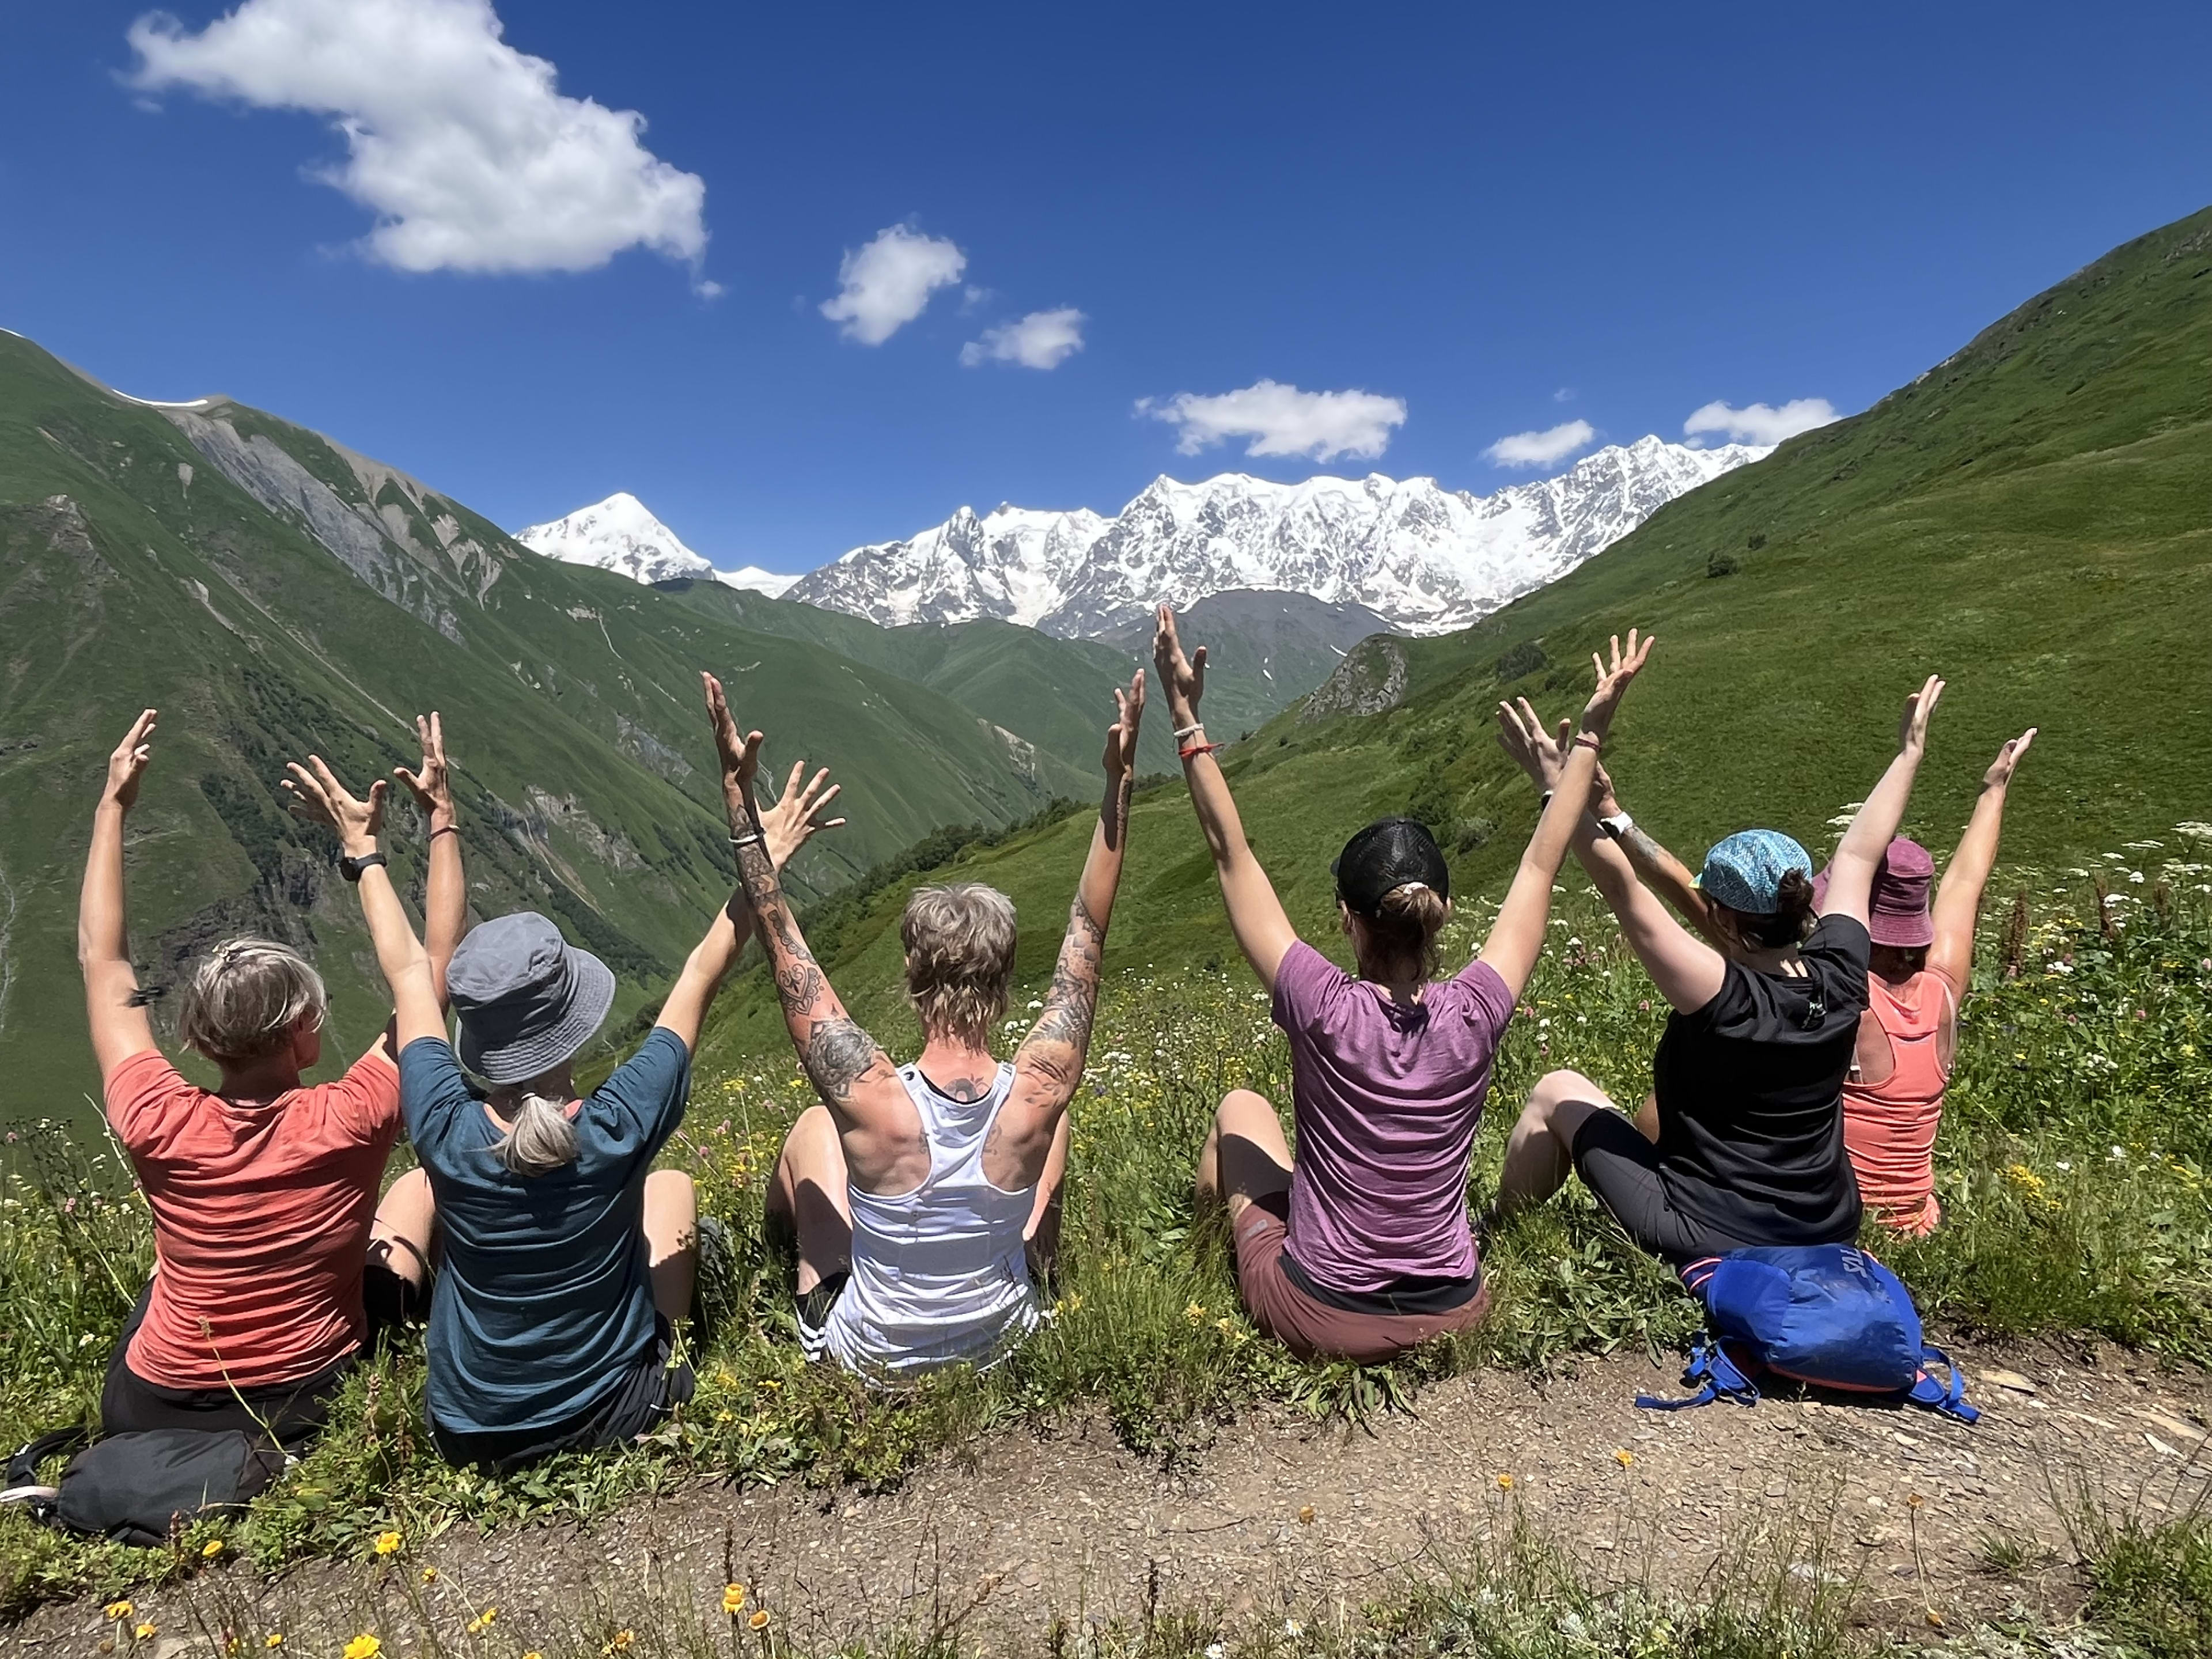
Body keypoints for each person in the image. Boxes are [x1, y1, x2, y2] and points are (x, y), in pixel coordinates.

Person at [293, 744, 844, 1471]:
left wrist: (365, 852)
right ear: (572, 1027)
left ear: (476, 1037)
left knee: (420, 1192)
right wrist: (760, 857)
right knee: (672, 1187)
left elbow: (407, 972)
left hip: (469, 1429)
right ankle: (668, 1343)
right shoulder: (617, 1125)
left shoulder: (441, 1122)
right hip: (617, 1409)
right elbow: (704, 966)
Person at [1161, 607, 1655, 1362]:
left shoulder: (1319, 1003)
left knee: (1240, 1108)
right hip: (1456, 1308)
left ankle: (1197, 1274)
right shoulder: (1478, 1009)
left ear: (1346, 922)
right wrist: (1587, 739)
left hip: (1321, 1312)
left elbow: (1233, 857)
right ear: (1445, 915)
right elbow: (1540, 865)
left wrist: (1186, 717)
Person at [724, 668, 1145, 1378]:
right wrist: (1119, 782)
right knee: (1055, 1120)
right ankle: (1026, 1270)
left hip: (870, 1359)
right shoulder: (1040, 1089)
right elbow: (1087, 932)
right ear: (1008, 982)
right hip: (1002, 1345)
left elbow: (781, 942)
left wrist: (740, 806)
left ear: (914, 980)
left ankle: (779, 1261)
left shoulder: (875, 1099)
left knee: (813, 1128)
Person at [78, 710, 462, 1446]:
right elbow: (432, 969)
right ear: (300, 1034)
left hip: (152, 1403)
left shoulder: (153, 1115)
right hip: (305, 1397)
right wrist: (430, 822)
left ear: (198, 1037)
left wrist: (111, 809)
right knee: (417, 1189)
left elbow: (103, 961)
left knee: (168, 1281)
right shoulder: (353, 1115)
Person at [1491, 676, 1952, 1265]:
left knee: (1557, 1091)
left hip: (1709, 1232)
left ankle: (1502, 1230)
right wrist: (1909, 753)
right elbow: (1862, 852)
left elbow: (1620, 886)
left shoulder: (1719, 992)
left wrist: (1559, 786)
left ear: (1727, 920)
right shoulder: (1841, 971)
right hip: (1828, 1226)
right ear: (1803, 899)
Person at [1572, 730, 2036, 1234]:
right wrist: (1994, 791)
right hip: (1915, 1223)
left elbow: (1695, 898)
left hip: (1837, 1213)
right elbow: (1966, 884)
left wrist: (1611, 817)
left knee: (1658, 1110)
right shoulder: (1941, 991)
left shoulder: (1829, 985)